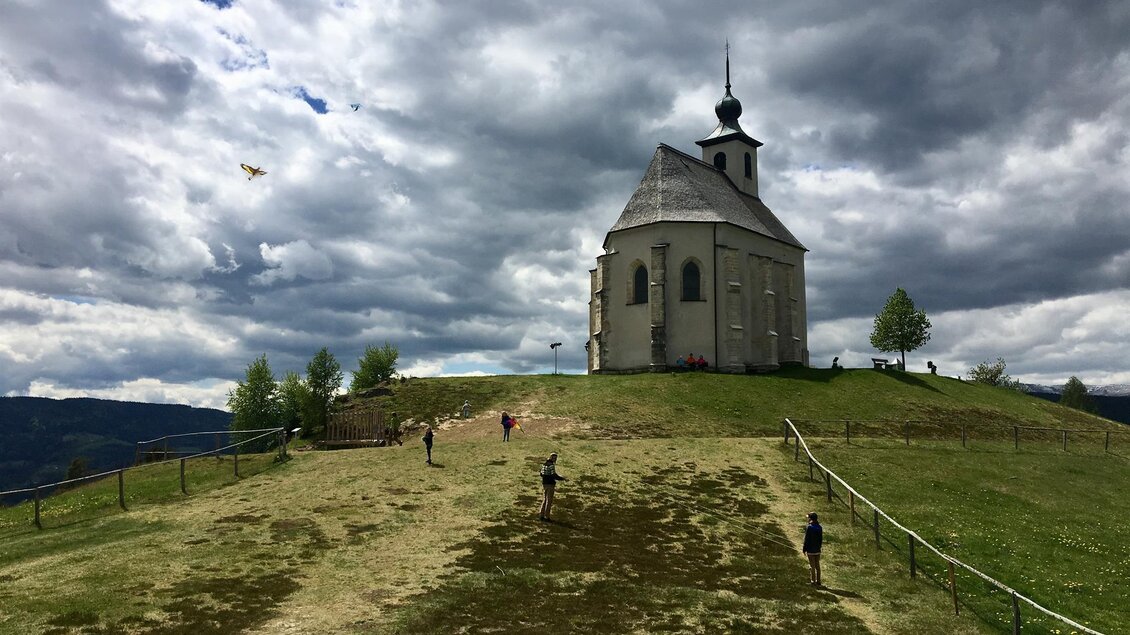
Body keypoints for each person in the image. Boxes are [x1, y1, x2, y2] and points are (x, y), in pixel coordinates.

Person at [539, 452, 566, 521]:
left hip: (544, 484)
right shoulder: (551, 466)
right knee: (549, 500)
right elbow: (554, 475)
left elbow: (541, 474)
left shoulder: (544, 464)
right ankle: (547, 516)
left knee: (545, 499)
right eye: (555, 458)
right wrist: (562, 478)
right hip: (550, 484)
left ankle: (541, 514)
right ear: (552, 458)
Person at [803, 512, 823, 585]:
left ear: (810, 519)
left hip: (810, 549)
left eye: (808, 517)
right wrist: (819, 547)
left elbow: (806, 539)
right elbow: (820, 539)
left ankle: (813, 581)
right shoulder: (819, 527)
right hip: (817, 549)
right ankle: (818, 580)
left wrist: (804, 548)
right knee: (817, 565)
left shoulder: (809, 527)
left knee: (812, 565)